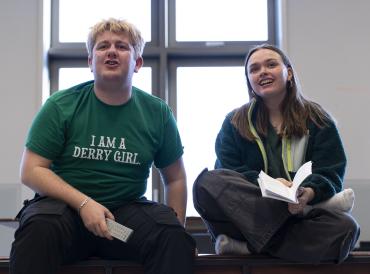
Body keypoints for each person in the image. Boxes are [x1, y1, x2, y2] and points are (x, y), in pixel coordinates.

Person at [10, 18, 195, 274]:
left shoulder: (157, 113)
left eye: (121, 46)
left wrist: (179, 228)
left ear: (137, 62)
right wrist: (85, 204)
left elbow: (175, 179)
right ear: (90, 61)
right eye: (102, 46)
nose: (111, 51)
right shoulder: (61, 105)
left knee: (170, 236)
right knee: (39, 227)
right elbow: (31, 170)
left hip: (118, 227)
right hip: (68, 218)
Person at [193, 44, 360, 263]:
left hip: (299, 212)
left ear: (288, 73)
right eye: (254, 69)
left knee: (346, 228)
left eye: (271, 64)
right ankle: (284, 229)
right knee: (207, 182)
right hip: (250, 214)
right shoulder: (234, 122)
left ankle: (249, 248)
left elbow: (331, 172)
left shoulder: (319, 120)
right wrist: (269, 185)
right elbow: (227, 171)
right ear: (249, 80)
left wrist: (308, 193)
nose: (262, 71)